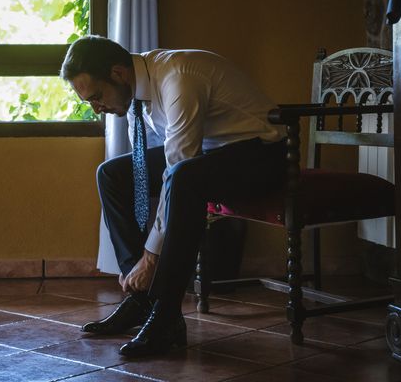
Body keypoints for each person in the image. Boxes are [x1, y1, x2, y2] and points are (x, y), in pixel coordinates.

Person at [60, 35, 286, 357]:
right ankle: (141, 298)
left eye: (97, 97)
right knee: (112, 175)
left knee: (183, 178)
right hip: (212, 156)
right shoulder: (137, 93)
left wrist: (151, 257)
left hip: (262, 157)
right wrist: (137, 263)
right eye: (89, 103)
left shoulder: (177, 78)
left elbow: (178, 167)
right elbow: (146, 172)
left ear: (119, 74)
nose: (97, 109)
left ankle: (166, 317)